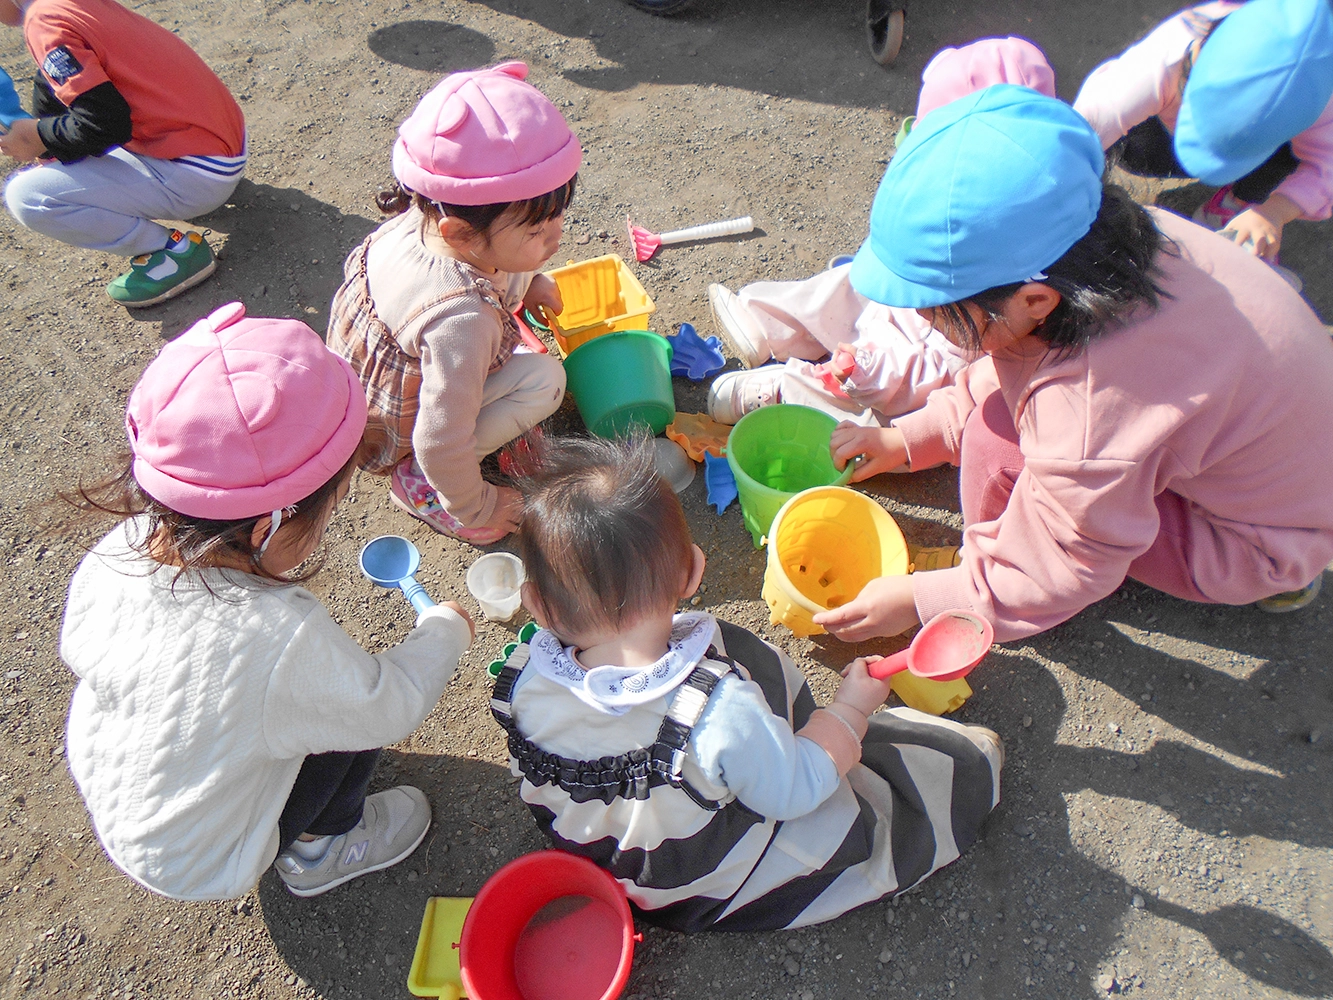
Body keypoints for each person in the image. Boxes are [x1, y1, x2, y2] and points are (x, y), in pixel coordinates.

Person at [814, 85, 1333, 650]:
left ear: (1034, 301)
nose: (925, 319)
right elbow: (1015, 362)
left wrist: (931, 598)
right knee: (1026, 415)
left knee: (997, 444)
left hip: (1259, 544)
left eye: (938, 311)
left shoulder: (1088, 412)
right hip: (1286, 479)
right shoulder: (1130, 242)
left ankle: (985, 567)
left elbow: (1067, 561)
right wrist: (908, 439)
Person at [488, 434, 1002, 932]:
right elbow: (793, 788)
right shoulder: (716, 710)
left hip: (614, 855)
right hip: (699, 881)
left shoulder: (523, 680)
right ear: (692, 571)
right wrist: (849, 710)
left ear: (535, 602)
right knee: (921, 789)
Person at [59, 302, 475, 901]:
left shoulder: (117, 550)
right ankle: (322, 848)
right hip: (201, 857)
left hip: (124, 792)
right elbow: (387, 705)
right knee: (345, 719)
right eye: (327, 512)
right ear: (265, 530)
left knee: (291, 703)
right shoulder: (277, 635)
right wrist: (444, 630)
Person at [704, 37, 1055, 428]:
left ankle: (796, 392)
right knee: (854, 283)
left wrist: (866, 369)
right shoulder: (981, 180)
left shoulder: (1025, 226)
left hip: (959, 323)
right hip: (928, 290)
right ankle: (772, 321)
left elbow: (944, 348)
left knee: (893, 375)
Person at [327, 62, 577, 545]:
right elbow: (438, 439)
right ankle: (419, 482)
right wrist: (477, 504)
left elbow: (495, 260)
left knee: (503, 336)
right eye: (537, 230)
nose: (556, 237)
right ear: (461, 232)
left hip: (360, 393)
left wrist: (532, 279)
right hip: (396, 434)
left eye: (557, 218)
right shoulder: (462, 318)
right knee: (547, 381)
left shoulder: (424, 220)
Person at [0, 0, 246, 307]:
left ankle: (171, 252)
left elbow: (105, 125)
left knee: (26, 196)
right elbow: (53, 81)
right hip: (221, 138)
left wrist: (39, 136)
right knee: (70, 148)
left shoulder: (43, 22)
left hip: (200, 173)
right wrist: (52, 146)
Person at [1073, 0, 1333, 269]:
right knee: (1134, 151)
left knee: (1291, 159)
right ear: (1195, 58)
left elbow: (1327, 166)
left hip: (1267, 147)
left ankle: (1238, 206)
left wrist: (1275, 211)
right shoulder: (1158, 62)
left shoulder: (1322, 99)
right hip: (1160, 133)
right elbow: (1080, 131)